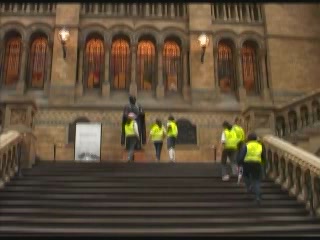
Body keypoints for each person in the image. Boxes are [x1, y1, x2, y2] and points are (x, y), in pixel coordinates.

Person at [237, 132, 266, 205]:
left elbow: (242, 155)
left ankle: (249, 187)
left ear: (248, 139)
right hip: (257, 164)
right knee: (256, 180)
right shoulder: (260, 146)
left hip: (247, 163)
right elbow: (263, 156)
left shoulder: (246, 145)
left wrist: (239, 163)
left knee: (245, 176)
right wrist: (263, 164)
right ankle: (258, 196)